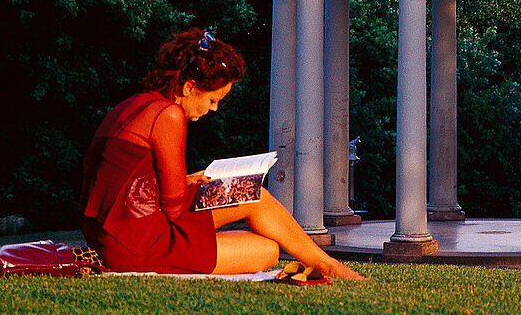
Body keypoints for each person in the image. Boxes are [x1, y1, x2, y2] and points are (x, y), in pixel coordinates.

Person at [79, 28, 364, 280]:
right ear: (190, 87)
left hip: (114, 236)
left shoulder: (133, 106)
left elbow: (122, 182)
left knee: (265, 246)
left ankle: (325, 263)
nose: (213, 109)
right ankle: (329, 265)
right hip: (139, 243)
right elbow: (175, 208)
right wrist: (217, 187)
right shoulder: (169, 114)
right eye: (213, 99)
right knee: (254, 201)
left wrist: (190, 180)